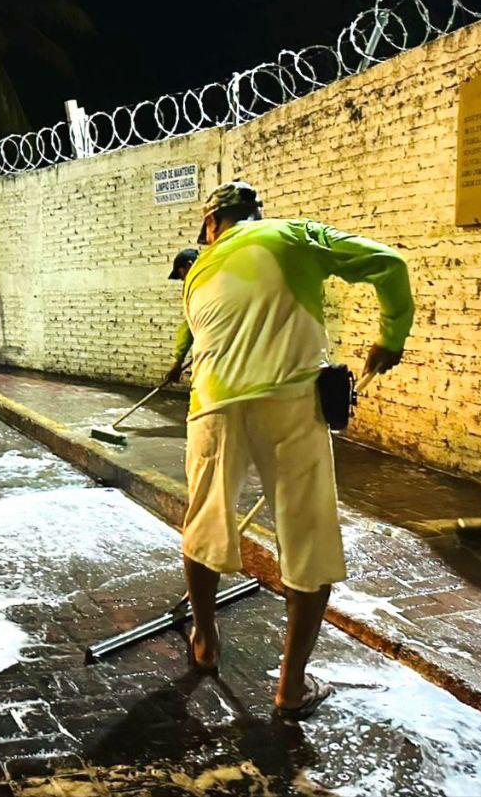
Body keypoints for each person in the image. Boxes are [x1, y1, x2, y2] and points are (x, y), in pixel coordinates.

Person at [181, 181, 412, 719]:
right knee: (308, 539)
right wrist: (391, 336)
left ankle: (206, 638)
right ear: (255, 214)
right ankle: (290, 685)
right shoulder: (291, 235)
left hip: (214, 405)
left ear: (212, 224)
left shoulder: (198, 270)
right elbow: (389, 264)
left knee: (204, 523)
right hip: (290, 402)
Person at [164, 248, 199, 385]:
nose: (183, 280)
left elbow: (189, 326)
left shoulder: (197, 286)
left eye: (182, 274)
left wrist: (177, 362)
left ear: (190, 264)